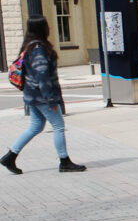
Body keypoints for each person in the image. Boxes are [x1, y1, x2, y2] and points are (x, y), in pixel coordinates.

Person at [1, 15, 86, 175]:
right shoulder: (39, 48)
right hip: (42, 97)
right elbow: (43, 76)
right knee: (59, 126)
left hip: (32, 95)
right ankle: (64, 162)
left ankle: (10, 156)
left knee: (35, 126)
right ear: (41, 28)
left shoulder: (29, 46)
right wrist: (51, 99)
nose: (50, 28)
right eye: (47, 25)